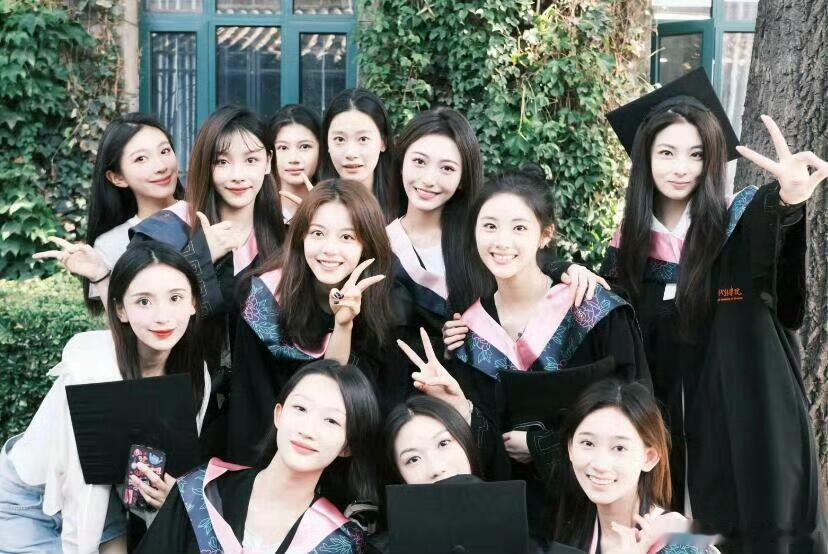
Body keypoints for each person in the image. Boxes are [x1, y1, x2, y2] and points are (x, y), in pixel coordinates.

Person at [602, 68, 828, 552]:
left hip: (746, 419)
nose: (681, 167)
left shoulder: (740, 222)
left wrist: (789, 202)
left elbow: (785, 298)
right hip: (668, 431)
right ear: (645, 159)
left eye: (697, 154)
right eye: (667, 152)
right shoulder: (628, 251)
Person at [444, 166, 650, 535]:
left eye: (519, 228)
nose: (502, 241)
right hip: (511, 516)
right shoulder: (469, 331)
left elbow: (635, 407)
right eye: (489, 226)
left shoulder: (592, 309)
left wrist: (541, 445)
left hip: (594, 503)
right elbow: (479, 442)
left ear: (545, 234)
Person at [0, 242, 211, 553]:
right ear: (121, 310)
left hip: (103, 494)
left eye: (175, 298)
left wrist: (170, 497)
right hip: (29, 501)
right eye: (144, 302)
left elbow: (164, 471)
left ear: (193, 303)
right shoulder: (94, 367)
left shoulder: (194, 372)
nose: (163, 316)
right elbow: (79, 491)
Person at [228, 179, 414, 466]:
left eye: (347, 237)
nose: (329, 249)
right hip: (278, 458)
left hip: (357, 463)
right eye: (317, 233)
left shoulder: (391, 306)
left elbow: (382, 408)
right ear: (300, 237)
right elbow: (250, 405)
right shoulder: (263, 300)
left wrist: (344, 325)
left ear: (367, 244)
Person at [135, 360, 378, 554]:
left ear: (348, 445)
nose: (308, 430)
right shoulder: (200, 491)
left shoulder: (340, 544)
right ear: (278, 414)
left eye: (331, 420)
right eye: (301, 408)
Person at [33, 114, 183, 313]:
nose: (161, 166)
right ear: (117, 178)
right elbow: (120, 327)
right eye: (141, 158)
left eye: (165, 151)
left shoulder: (207, 213)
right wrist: (101, 277)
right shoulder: (111, 244)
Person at [555, 379, 717, 554]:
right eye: (588, 443)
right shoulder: (568, 529)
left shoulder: (681, 543)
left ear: (649, 458)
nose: (600, 464)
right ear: (570, 448)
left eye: (619, 448)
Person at [320, 88, 396, 220]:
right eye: (340, 139)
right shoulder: (315, 208)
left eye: (363, 139)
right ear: (327, 143)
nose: (351, 153)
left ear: (383, 142)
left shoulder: (406, 205)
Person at [269, 104, 322, 222]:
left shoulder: (338, 206)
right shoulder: (254, 207)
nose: (293, 159)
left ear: (321, 149)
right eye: (283, 148)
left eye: (305, 146)